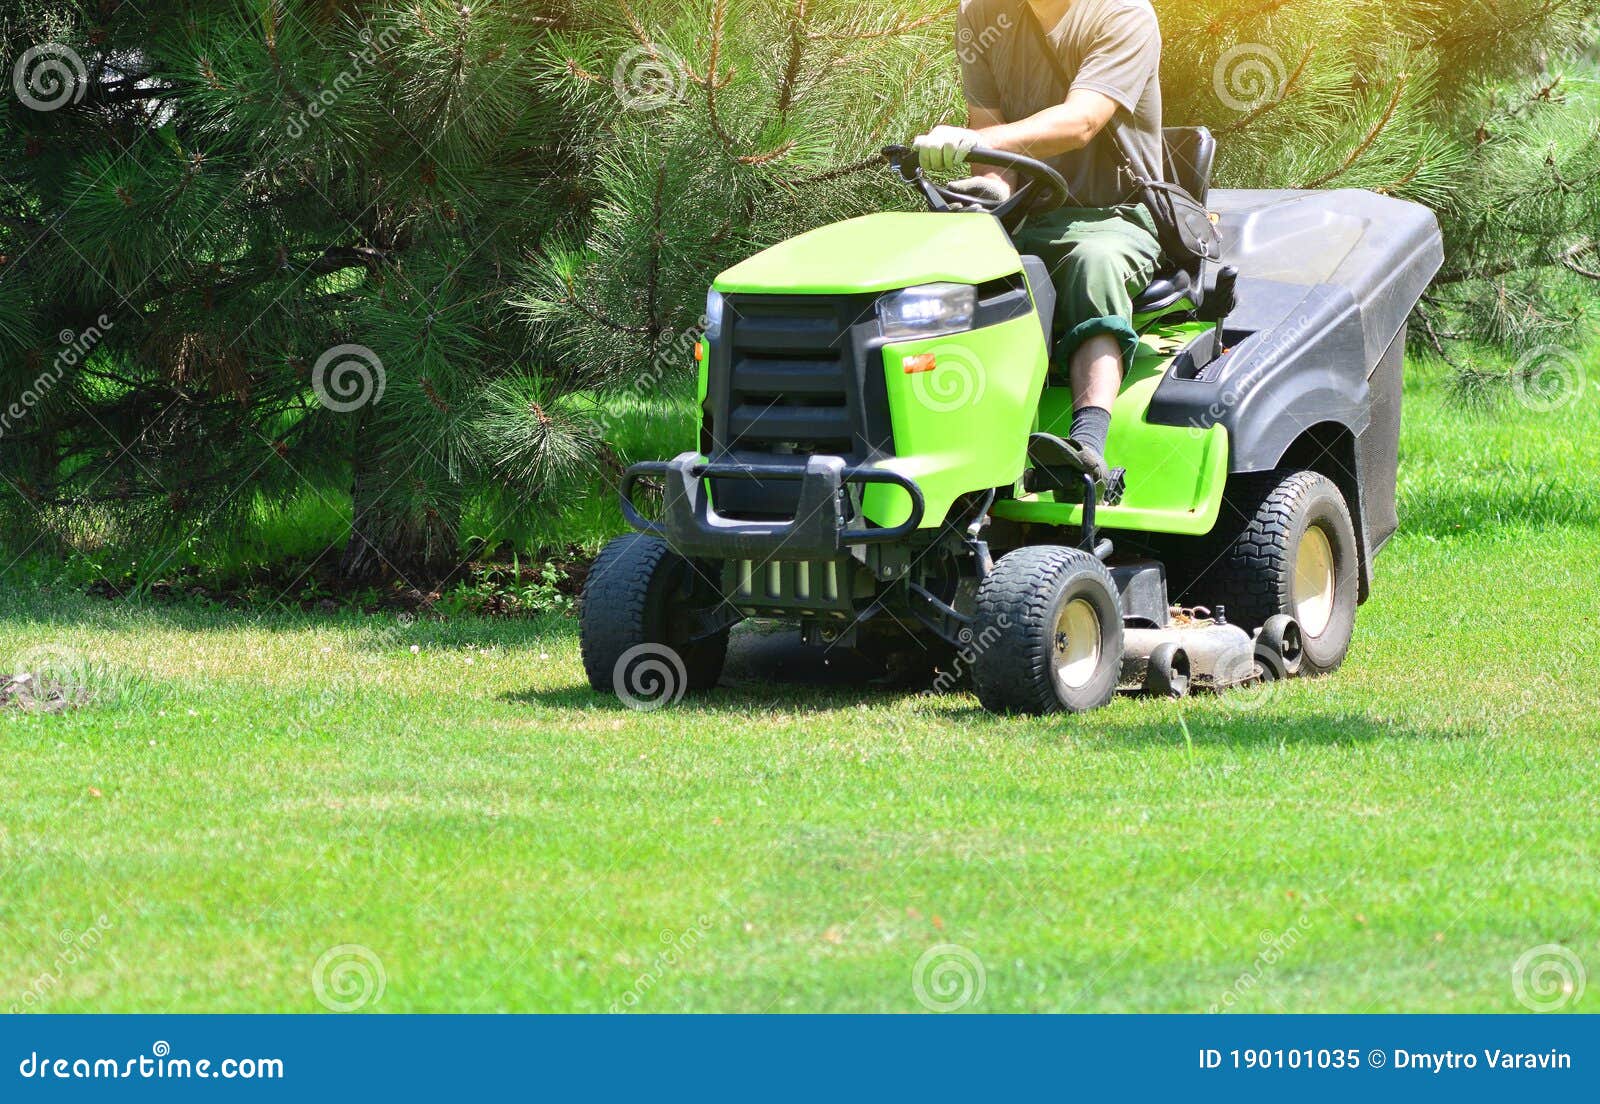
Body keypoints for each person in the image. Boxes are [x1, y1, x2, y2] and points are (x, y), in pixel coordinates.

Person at [914, 0, 1165, 483]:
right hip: (1027, 212)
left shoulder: (1123, 14)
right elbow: (989, 133)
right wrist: (991, 188)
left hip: (1115, 216)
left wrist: (973, 142)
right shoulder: (981, 14)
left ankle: (1087, 446)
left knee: (1094, 262)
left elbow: (1081, 123)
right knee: (940, 266)